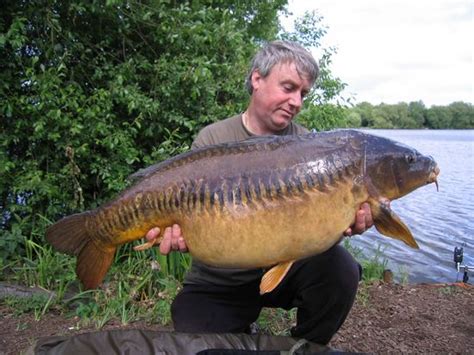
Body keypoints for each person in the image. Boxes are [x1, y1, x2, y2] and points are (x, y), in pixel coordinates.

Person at [145, 40, 373, 345]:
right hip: (220, 279)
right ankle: (237, 328)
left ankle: (306, 346)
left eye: (303, 93)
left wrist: (346, 221)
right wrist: (179, 234)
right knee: (196, 338)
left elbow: (320, 216)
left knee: (341, 270)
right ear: (257, 79)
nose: (297, 102)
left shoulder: (309, 147)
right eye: (288, 87)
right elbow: (191, 212)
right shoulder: (213, 139)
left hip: (287, 269)